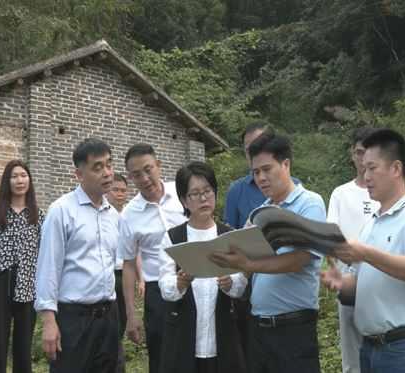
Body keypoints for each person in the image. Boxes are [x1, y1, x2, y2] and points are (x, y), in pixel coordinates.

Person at [321, 129, 405, 373]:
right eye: (364, 169)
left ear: (396, 169)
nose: (366, 176)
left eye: (372, 168)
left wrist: (365, 253)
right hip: (370, 348)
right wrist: (341, 283)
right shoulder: (372, 224)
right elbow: (362, 283)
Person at [211, 132, 326, 373]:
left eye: (267, 169)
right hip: (258, 327)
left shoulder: (309, 203)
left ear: (286, 164)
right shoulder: (258, 213)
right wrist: (230, 277)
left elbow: (300, 259)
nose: (261, 178)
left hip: (293, 328)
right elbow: (241, 261)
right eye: (255, 172)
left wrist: (249, 265)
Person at [35, 138, 120, 372]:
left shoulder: (113, 215)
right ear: (79, 174)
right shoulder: (61, 211)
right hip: (74, 320)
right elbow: (48, 268)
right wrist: (49, 322)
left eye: (109, 164)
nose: (107, 173)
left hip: (109, 317)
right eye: (98, 167)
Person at [158, 161, 247, 373]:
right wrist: (179, 282)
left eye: (208, 191)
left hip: (224, 330)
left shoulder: (229, 235)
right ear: (184, 201)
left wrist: (230, 282)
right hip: (184, 332)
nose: (204, 198)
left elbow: (241, 282)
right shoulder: (173, 237)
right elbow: (164, 283)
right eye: (195, 193)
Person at [119, 143, 187, 373]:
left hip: (196, 279)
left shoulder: (182, 193)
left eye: (148, 169)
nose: (145, 178)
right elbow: (128, 264)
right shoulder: (129, 214)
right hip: (158, 293)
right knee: (162, 355)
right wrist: (131, 314)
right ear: (130, 177)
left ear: (159, 165)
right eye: (137, 174)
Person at [0, 160, 44, 373]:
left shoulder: (39, 216)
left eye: (23, 175)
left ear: (29, 180)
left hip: (27, 283)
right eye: (14, 176)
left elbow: (44, 255)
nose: (19, 180)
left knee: (23, 346)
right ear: (7, 181)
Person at [327, 127, 379, 373]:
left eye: (367, 153)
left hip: (381, 279)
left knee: (380, 347)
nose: (362, 159)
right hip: (348, 280)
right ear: (352, 154)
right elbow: (330, 237)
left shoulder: (384, 191)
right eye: (359, 152)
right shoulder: (341, 194)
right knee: (352, 355)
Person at [106, 173, 143, 373]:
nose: (120, 194)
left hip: (125, 276)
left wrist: (141, 277)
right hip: (110, 276)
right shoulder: (104, 216)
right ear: (107, 191)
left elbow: (134, 251)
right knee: (112, 326)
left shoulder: (128, 216)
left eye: (123, 190)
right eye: (115, 190)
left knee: (122, 323)